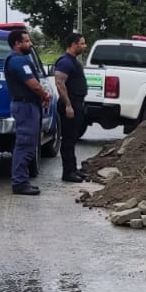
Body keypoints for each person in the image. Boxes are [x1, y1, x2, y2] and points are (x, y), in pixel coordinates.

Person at [3, 27, 51, 196]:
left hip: (28, 105)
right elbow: (32, 84)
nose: (31, 44)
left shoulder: (20, 59)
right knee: (25, 144)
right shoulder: (17, 61)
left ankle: (21, 180)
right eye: (27, 41)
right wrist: (45, 94)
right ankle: (19, 182)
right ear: (17, 43)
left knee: (28, 144)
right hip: (25, 107)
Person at [52, 32, 89, 183]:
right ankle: (68, 173)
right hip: (70, 104)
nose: (84, 46)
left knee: (73, 138)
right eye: (82, 43)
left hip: (77, 103)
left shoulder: (73, 61)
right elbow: (60, 83)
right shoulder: (65, 62)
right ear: (73, 44)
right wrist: (68, 105)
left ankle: (73, 169)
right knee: (68, 140)